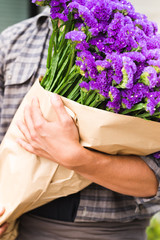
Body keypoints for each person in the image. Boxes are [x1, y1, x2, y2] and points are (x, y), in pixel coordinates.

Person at [0, 7, 160, 240]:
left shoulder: (147, 46)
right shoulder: (13, 41)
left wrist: (76, 158)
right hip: (20, 226)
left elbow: (155, 181)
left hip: (110, 233)